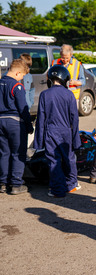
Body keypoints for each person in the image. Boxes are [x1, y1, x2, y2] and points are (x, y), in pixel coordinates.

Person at [34, 65, 81, 198]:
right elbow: (75, 119)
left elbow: (41, 118)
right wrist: (75, 138)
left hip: (51, 131)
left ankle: (57, 189)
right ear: (65, 78)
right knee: (69, 158)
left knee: (54, 160)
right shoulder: (69, 94)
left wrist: (39, 141)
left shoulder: (44, 94)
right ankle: (71, 184)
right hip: (66, 131)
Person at [0, 59, 34, 195]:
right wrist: (29, 125)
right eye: (22, 76)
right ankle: (16, 184)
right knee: (18, 153)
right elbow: (23, 108)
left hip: (0, 122)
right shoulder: (16, 86)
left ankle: (3, 182)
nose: (22, 79)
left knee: (3, 152)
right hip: (14, 123)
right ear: (18, 72)